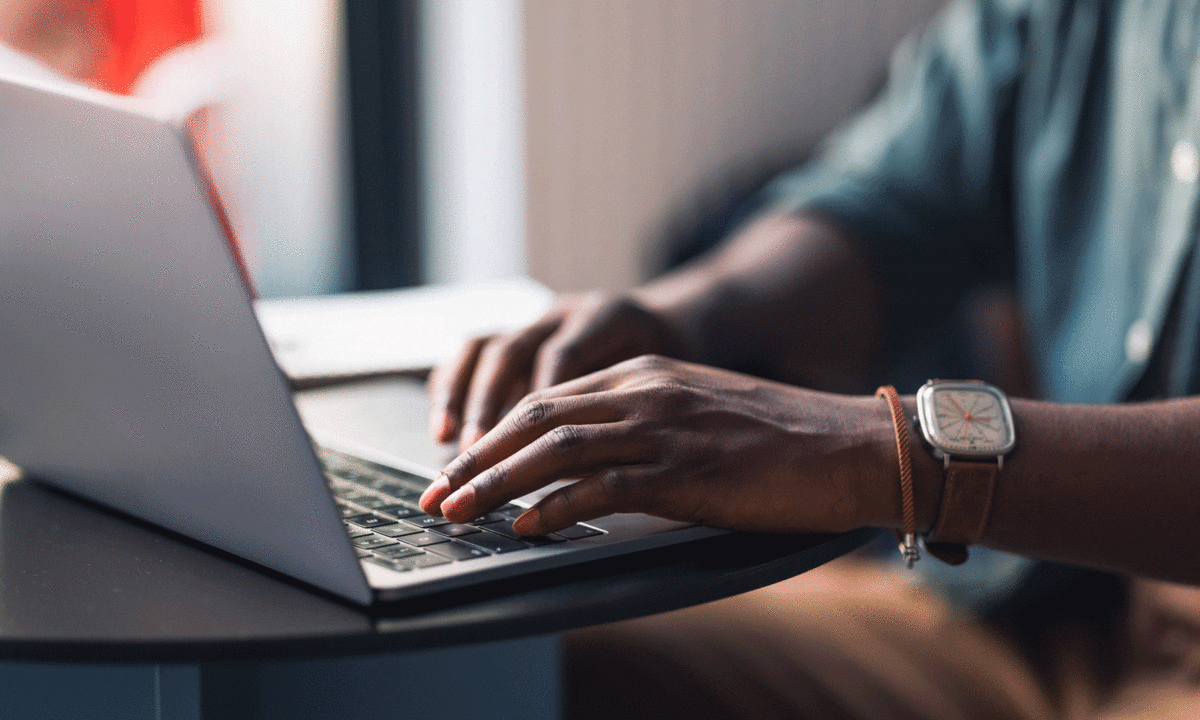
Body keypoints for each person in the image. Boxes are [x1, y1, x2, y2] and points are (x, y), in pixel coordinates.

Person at [419, 0, 1200, 717]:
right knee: (515, 661)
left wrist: (881, 452)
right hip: (1046, 604)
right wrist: (681, 315)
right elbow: (897, 197)